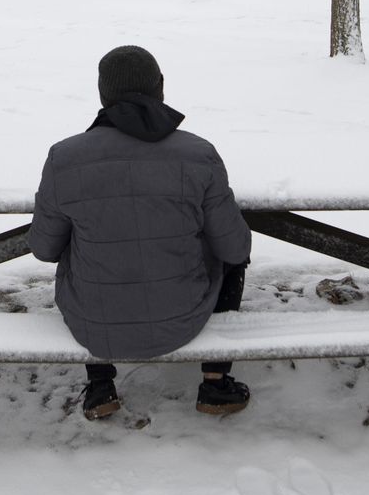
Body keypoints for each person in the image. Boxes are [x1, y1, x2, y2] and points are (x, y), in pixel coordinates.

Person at [29, 45, 253, 420]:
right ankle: (215, 382)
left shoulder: (63, 158)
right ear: (160, 88)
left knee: (80, 246)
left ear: (102, 94)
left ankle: (100, 386)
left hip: (94, 325)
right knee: (228, 252)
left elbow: (44, 248)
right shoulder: (199, 154)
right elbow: (234, 247)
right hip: (183, 317)